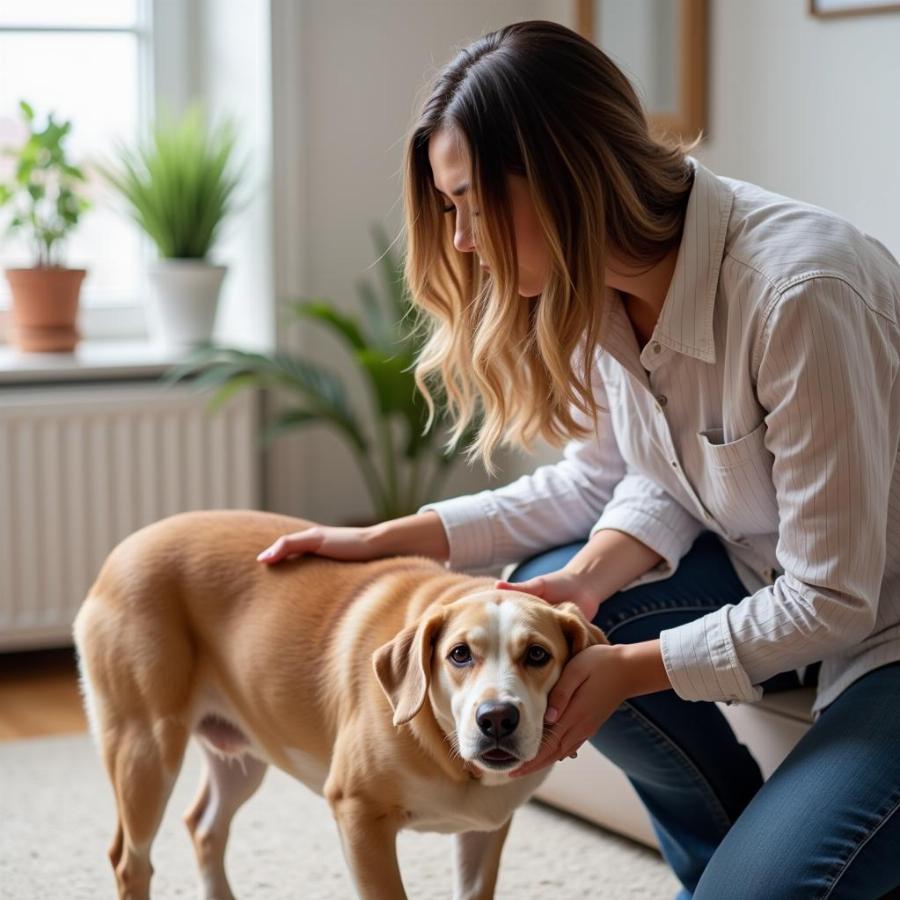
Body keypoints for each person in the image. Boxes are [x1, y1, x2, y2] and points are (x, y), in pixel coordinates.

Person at [256, 20, 900, 899]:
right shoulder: (601, 295)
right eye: (449, 211)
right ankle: (729, 852)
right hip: (777, 588)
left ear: (560, 173)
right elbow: (611, 482)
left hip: (881, 630)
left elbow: (833, 596)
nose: (461, 242)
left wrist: (632, 668)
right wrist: (392, 540)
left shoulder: (800, 295)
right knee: (551, 581)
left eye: (470, 204)